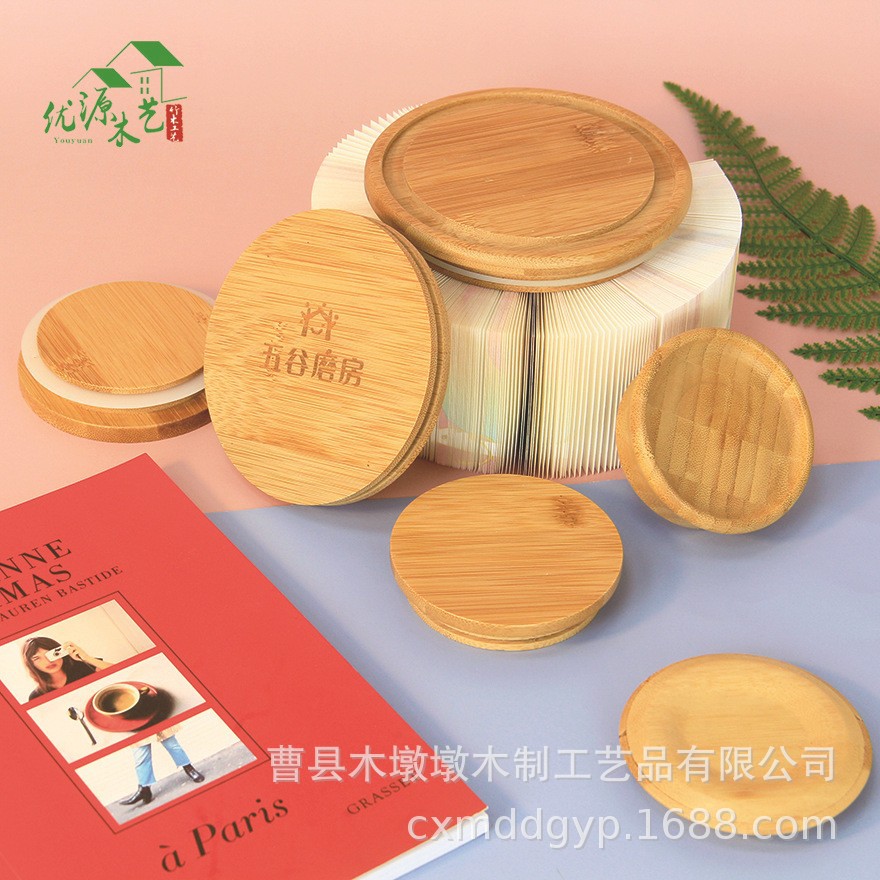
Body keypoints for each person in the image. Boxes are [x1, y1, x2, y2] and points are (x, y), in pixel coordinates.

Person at [120, 725, 205, 806]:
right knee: (141, 757)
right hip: (137, 725)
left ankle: (189, 768)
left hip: (154, 720)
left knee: (172, 745)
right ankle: (145, 789)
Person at [22, 636, 110, 700]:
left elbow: (117, 672)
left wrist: (87, 658)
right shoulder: (36, 697)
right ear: (31, 664)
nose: (48, 661)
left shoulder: (81, 666)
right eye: (37, 658)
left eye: (51, 654)